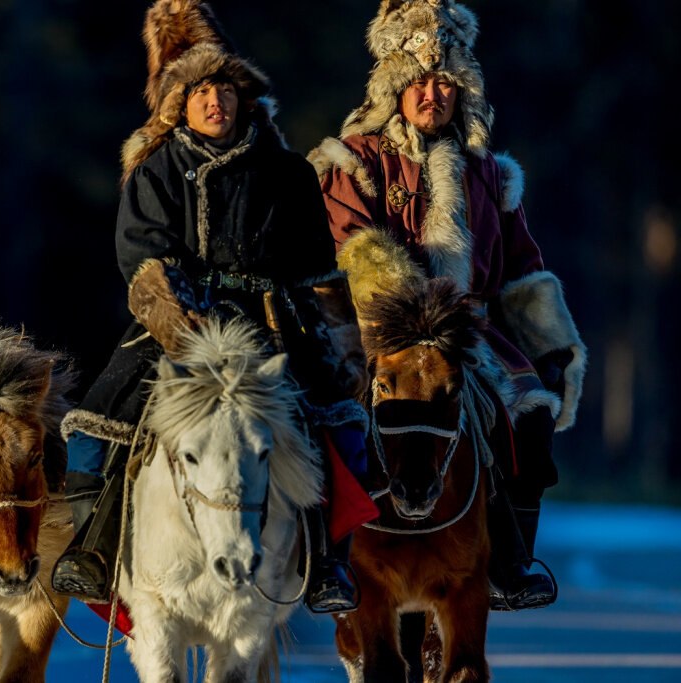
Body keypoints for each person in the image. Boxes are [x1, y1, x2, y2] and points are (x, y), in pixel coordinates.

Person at [51, 0, 377, 614]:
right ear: (181, 103)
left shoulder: (285, 172)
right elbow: (143, 262)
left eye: (225, 88)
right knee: (97, 420)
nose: (214, 101)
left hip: (272, 318)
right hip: (177, 321)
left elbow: (318, 268)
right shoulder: (157, 170)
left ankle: (331, 562)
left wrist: (342, 342)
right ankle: (92, 550)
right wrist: (182, 325)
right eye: (200, 90)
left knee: (339, 418)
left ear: (242, 98)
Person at [308, 0, 587, 611]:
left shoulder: (489, 172)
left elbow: (521, 267)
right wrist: (414, 313)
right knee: (332, 417)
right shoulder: (354, 160)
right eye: (419, 83)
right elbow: (352, 246)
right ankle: (325, 561)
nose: (433, 95)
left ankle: (509, 562)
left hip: (474, 331)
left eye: (446, 83)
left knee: (533, 411)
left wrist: (552, 344)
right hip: (375, 327)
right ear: (394, 90)